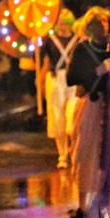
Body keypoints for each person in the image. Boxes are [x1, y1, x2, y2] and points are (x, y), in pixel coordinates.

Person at [64, 7, 110, 218]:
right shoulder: (83, 49)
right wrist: (98, 71)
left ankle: (104, 207)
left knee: (107, 159)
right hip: (90, 106)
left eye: (106, 21)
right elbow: (73, 77)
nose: (104, 25)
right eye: (100, 22)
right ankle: (83, 205)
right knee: (84, 154)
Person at [40, 9, 79, 169]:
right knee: (57, 117)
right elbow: (43, 61)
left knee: (72, 116)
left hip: (73, 79)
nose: (62, 26)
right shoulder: (49, 40)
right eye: (59, 23)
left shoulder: (78, 39)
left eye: (65, 23)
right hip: (56, 79)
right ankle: (62, 154)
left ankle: (73, 151)